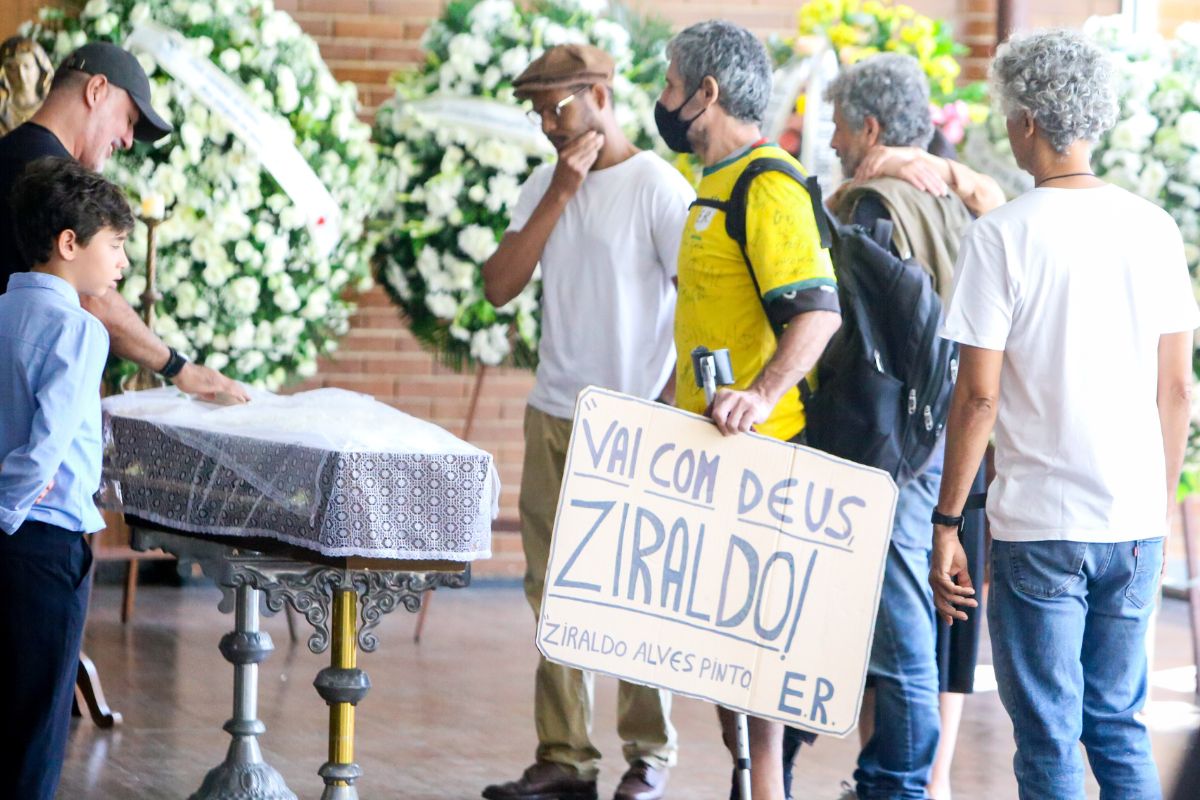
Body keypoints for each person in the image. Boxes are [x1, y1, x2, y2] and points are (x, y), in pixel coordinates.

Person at [931, 29, 1197, 800]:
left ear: (1025, 123)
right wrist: (1153, 497)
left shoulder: (1001, 236)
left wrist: (948, 521)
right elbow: (1178, 389)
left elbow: (978, 397)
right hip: (1135, 523)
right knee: (1118, 724)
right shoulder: (1153, 228)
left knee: (1048, 735)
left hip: (1042, 524)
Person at [481, 43, 694, 800]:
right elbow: (499, 287)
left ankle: (648, 757)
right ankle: (566, 757)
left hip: (634, 420)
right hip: (553, 414)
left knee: (635, 592)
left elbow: (695, 309)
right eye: (537, 110)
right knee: (552, 591)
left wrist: (662, 408)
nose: (546, 123)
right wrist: (560, 194)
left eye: (558, 106)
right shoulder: (546, 182)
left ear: (601, 94)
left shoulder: (658, 188)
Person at [657, 20, 841, 800]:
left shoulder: (767, 184)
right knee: (718, 645)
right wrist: (667, 404)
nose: (662, 101)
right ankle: (749, 780)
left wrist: (760, 396)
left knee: (754, 645)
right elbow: (709, 317)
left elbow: (818, 313)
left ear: (707, 93)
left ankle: (768, 786)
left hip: (763, 452)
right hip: (705, 444)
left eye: (670, 85)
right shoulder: (712, 182)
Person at [812, 53, 983, 800]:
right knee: (906, 608)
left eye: (840, 127)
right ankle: (893, 776)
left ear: (871, 127)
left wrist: (844, 195)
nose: (833, 140)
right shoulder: (947, 191)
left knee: (901, 621)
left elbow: (851, 334)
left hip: (895, 440)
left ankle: (897, 782)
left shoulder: (874, 204)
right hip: (944, 428)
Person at [0, 41, 248, 402]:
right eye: (129, 119)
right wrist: (180, 368)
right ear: (96, 89)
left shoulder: (10, 154)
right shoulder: (51, 178)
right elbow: (92, 300)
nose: (129, 140)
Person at [0, 156, 133, 800]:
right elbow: (46, 447)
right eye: (115, 244)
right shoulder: (78, 328)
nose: (122, 263)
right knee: (38, 725)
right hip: (45, 541)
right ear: (69, 243)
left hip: (11, 532)